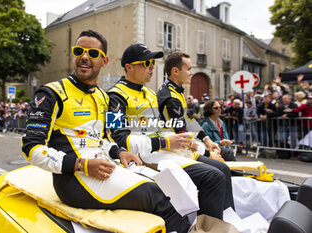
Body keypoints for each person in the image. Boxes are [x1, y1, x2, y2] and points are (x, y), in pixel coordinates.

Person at [21, 30, 190, 232]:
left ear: (104, 60)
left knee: (173, 189)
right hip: (72, 178)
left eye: (92, 53)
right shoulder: (50, 92)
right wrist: (81, 164)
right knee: (158, 197)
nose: (84, 56)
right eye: (79, 51)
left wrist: (120, 153)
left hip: (105, 166)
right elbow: (31, 148)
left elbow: (105, 138)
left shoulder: (103, 96)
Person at [108, 45, 228, 220]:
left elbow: (162, 127)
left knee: (219, 172)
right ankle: (210, 229)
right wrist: (165, 142)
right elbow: (118, 138)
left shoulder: (149, 93)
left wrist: (195, 143)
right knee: (214, 176)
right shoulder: (115, 96)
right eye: (147, 62)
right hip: (143, 157)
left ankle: (217, 225)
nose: (152, 67)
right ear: (129, 67)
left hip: (163, 152)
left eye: (153, 62)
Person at [156, 52, 235, 209]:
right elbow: (182, 135)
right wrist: (207, 153)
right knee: (221, 170)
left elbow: (188, 119)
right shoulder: (170, 97)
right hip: (173, 153)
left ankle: (226, 215)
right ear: (175, 71)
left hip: (181, 148)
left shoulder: (175, 91)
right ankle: (221, 219)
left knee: (225, 159)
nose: (192, 73)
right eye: (189, 69)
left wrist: (207, 139)